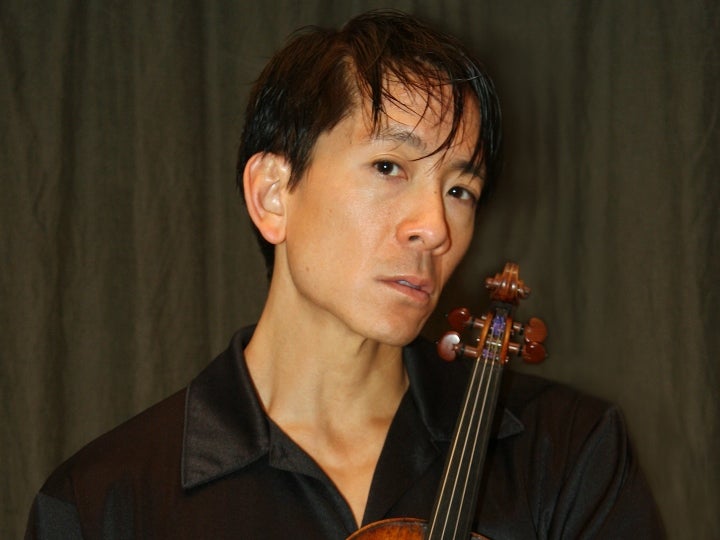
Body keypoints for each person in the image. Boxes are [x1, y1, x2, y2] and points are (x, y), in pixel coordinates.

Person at [25, 10, 664, 539]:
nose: (434, 227)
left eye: (460, 189)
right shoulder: (103, 505)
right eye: (389, 167)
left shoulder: (568, 453)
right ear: (272, 194)